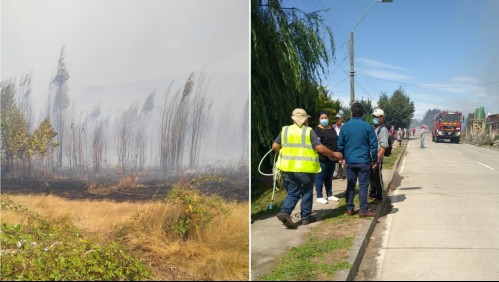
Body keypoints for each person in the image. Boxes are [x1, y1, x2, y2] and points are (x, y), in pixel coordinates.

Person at [272, 108, 343, 229]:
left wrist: (285, 154)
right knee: (306, 192)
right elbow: (320, 148)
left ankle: (285, 211)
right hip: (305, 168)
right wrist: (335, 154)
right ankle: (306, 217)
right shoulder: (308, 131)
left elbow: (275, 146)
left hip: (288, 168)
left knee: (293, 192)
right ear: (305, 119)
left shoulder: (285, 130)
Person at [337, 102, 378, 217]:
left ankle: (350, 208)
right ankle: (363, 210)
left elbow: (340, 144)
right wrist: (374, 159)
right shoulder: (368, 126)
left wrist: (342, 157)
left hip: (350, 161)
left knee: (350, 184)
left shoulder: (345, 127)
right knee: (363, 185)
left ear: (351, 112)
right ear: (363, 113)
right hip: (364, 161)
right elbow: (374, 145)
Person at [313, 112, 340, 204]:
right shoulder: (316, 130)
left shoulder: (331, 128)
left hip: (332, 157)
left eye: (325, 117)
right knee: (320, 177)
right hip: (322, 158)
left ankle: (329, 194)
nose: (324, 119)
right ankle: (319, 196)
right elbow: (317, 145)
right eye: (322, 118)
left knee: (329, 177)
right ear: (319, 119)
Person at [368, 108, 389, 203]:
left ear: (382, 118)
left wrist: (377, 159)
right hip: (370, 156)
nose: (375, 118)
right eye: (374, 116)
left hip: (377, 157)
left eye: (377, 117)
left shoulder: (383, 129)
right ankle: (373, 192)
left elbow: (383, 145)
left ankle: (379, 195)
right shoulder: (372, 127)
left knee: (377, 176)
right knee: (370, 176)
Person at [332, 112, 346, 179]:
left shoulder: (344, 126)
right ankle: (336, 174)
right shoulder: (333, 126)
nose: (338, 121)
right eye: (336, 119)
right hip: (335, 144)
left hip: (343, 144)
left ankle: (343, 173)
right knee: (336, 159)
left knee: (343, 158)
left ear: (342, 119)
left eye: (339, 119)